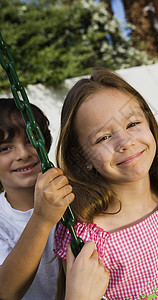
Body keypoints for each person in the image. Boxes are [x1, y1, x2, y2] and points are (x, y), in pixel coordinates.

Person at [54, 69, 158, 299]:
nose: (126, 142)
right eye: (103, 137)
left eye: (132, 124)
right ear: (82, 158)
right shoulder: (86, 236)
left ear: (149, 123)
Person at [0, 98, 109, 300]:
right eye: (5, 148)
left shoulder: (73, 187)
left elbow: (137, 183)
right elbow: (5, 292)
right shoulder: (2, 221)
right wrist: (42, 218)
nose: (23, 154)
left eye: (30, 140)